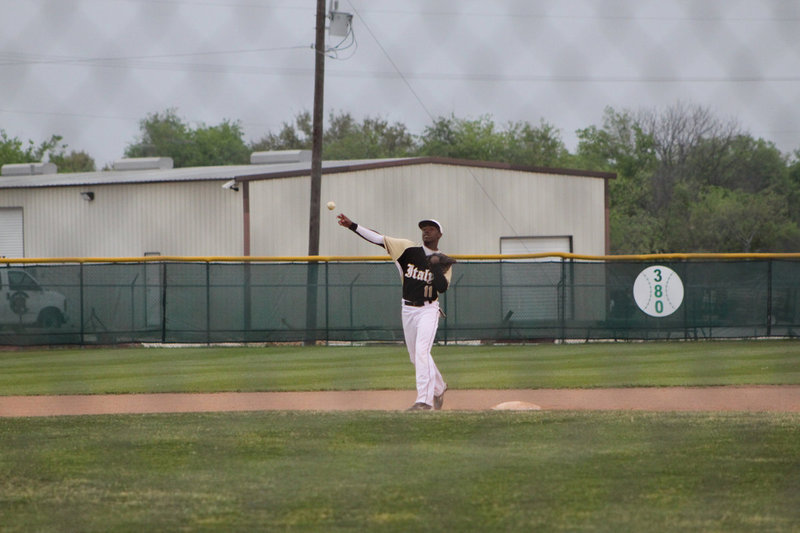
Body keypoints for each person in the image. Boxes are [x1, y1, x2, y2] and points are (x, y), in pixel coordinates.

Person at [337, 213, 454, 411]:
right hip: (408, 309)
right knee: (415, 356)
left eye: (431, 228)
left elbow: (442, 288)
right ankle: (439, 387)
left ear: (439, 234)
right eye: (424, 228)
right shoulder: (407, 249)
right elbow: (379, 239)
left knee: (422, 351)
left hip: (429, 310)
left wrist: (435, 266)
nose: (426, 230)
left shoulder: (444, 261)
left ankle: (424, 401)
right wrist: (352, 226)